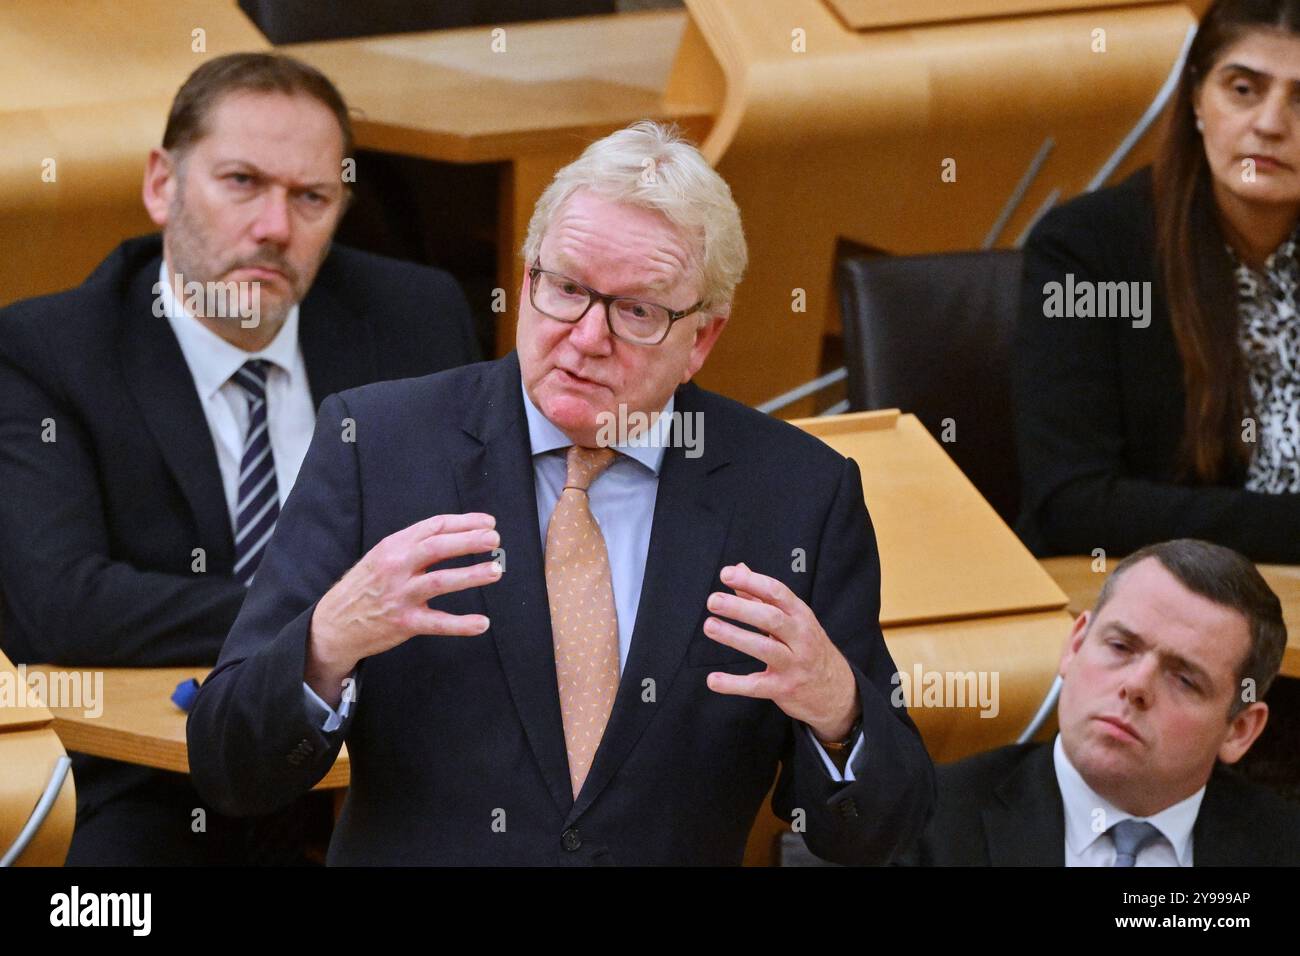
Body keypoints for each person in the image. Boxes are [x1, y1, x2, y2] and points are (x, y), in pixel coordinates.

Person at [186, 120, 935, 866]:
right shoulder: (377, 445)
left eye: (637, 311)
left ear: (701, 339)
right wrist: (327, 643)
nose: (585, 337)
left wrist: (839, 710)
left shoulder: (796, 492)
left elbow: (876, 834)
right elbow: (229, 768)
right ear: (526, 280)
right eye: (567, 289)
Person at [0, 52, 479, 864]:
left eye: (311, 197)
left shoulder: (413, 317)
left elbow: (475, 536)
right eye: (242, 183)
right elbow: (66, 605)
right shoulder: (47, 351)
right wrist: (321, 619)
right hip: (147, 780)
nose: (274, 228)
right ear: (163, 184)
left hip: (386, 760)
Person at [1014, 0, 1300, 563]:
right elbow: (1074, 504)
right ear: (1196, 97)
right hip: (1151, 600)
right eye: (1243, 89)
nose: (1269, 124)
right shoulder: (1086, 248)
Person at [903, 539, 1300, 866]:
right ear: (1075, 646)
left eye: (1183, 679)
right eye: (1120, 646)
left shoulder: (1282, 849)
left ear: (1240, 730)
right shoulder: (919, 824)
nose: (1136, 685)